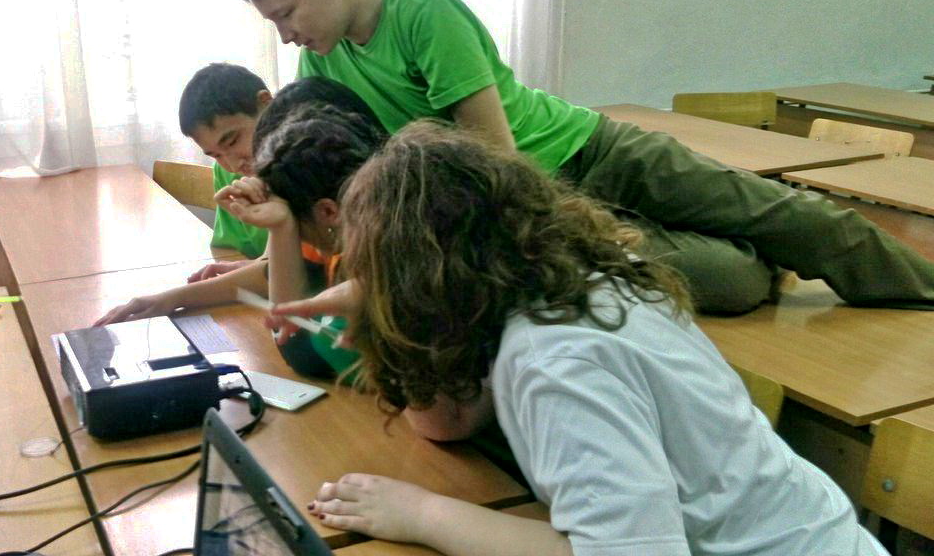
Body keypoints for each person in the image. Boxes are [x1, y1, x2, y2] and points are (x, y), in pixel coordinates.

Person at [235, 0, 934, 312]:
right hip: (546, 204)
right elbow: (334, 158)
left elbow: (498, 157)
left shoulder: (424, 14)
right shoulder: (322, 59)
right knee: (732, 284)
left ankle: (922, 287)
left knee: (782, 216)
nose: (286, 35)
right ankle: (759, 264)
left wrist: (553, 231)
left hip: (587, 154)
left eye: (286, 13)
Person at [274, 122, 887, 556]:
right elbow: (447, 424)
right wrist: (396, 324)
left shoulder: (554, 358)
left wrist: (422, 514)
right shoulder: (573, 280)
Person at [97, 78, 382, 379]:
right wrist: (173, 298)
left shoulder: (334, 212)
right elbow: (281, 278)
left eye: (233, 141)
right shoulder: (342, 201)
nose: (235, 165)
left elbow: (298, 345)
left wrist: (282, 228)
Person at [177, 62, 271, 266]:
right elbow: (230, 250)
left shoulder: (307, 161)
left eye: (232, 141)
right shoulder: (225, 172)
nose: (233, 166)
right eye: (216, 155)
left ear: (265, 104)